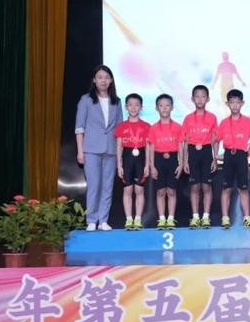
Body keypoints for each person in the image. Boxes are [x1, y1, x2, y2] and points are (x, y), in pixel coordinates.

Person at [75, 65, 123, 231]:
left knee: (107, 186)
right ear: (94, 80)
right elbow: (79, 128)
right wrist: (80, 151)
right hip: (91, 149)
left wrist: (119, 155)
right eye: (100, 77)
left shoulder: (117, 102)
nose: (103, 80)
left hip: (111, 150)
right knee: (94, 185)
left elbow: (120, 130)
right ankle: (91, 220)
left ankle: (103, 220)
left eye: (107, 77)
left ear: (111, 81)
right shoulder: (86, 100)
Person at [216, 89, 250, 229]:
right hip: (228, 156)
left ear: (242, 103)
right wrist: (216, 155)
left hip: (241, 156)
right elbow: (216, 140)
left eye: (238, 102)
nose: (235, 105)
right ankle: (225, 218)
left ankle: (247, 218)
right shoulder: (224, 122)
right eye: (232, 102)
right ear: (227, 104)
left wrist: (249, 145)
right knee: (226, 188)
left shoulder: (247, 121)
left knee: (243, 188)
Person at [182, 85, 218, 228]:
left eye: (203, 96)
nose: (200, 99)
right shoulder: (188, 118)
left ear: (207, 99)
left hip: (207, 151)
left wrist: (215, 158)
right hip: (193, 152)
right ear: (192, 99)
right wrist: (184, 160)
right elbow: (184, 141)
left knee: (207, 186)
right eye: (197, 96)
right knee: (195, 186)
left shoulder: (212, 117)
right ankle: (196, 217)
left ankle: (206, 217)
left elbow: (215, 139)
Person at [147, 94, 184, 229]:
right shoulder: (153, 128)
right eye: (161, 106)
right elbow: (151, 147)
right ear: (156, 108)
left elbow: (181, 145)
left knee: (171, 191)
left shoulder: (178, 127)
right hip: (158, 159)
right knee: (161, 192)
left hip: (173, 159)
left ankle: (171, 219)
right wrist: (152, 166)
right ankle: (162, 219)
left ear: (172, 107)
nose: (164, 108)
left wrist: (181, 163)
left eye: (167, 105)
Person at [115, 93, 151, 229]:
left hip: (140, 160)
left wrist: (147, 165)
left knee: (139, 190)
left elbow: (148, 148)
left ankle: (138, 219)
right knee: (128, 190)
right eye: (130, 105)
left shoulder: (146, 126)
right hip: (127, 160)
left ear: (141, 107)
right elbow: (119, 147)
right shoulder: (121, 126)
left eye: (137, 105)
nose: (133, 108)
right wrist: (119, 165)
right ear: (126, 107)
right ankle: (129, 219)